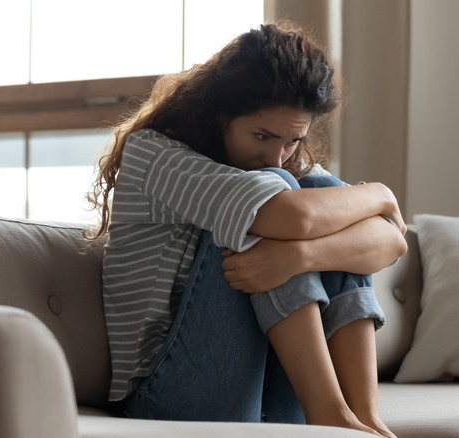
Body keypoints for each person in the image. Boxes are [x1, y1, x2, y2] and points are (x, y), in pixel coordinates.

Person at [85, 23, 406, 438]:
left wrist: (301, 256)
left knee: (319, 189)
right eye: (262, 135)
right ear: (219, 115)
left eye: (293, 141)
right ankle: (330, 413)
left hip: (267, 388)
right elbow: (294, 218)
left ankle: (363, 419)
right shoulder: (153, 152)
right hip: (169, 396)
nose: (276, 154)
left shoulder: (277, 163)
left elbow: (390, 240)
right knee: (273, 198)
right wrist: (379, 192)